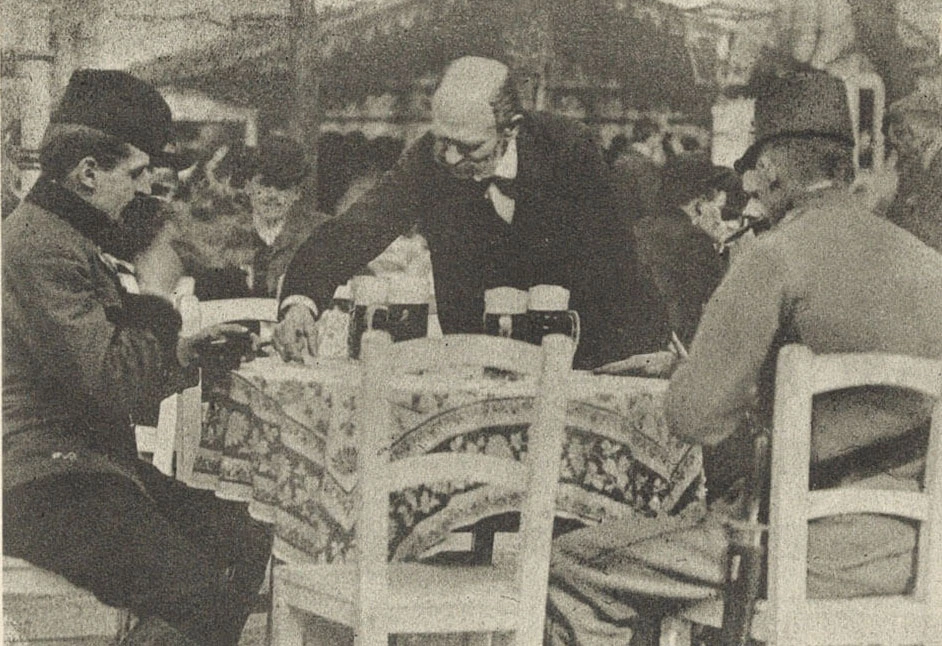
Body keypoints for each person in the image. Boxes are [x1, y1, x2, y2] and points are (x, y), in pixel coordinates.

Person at [546, 67, 942, 646]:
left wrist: (731, 378)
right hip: (911, 550)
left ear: (775, 166)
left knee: (570, 563)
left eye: (752, 165)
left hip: (795, 547)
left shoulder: (775, 257)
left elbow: (693, 417)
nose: (748, 183)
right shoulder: (927, 262)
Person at [2, 69, 272, 646]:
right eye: (138, 171)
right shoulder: (39, 247)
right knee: (195, 589)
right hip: (40, 484)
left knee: (244, 537)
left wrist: (182, 354)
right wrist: (155, 287)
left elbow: (110, 362)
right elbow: (113, 382)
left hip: (87, 470)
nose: (147, 187)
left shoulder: (64, 236)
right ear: (89, 173)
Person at [275, 55, 667, 369]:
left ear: (510, 130)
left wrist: (630, 352)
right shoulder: (428, 160)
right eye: (443, 141)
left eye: (469, 147)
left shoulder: (568, 149)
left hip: (586, 353)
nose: (449, 158)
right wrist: (299, 303)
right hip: (474, 360)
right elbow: (357, 228)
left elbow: (613, 259)